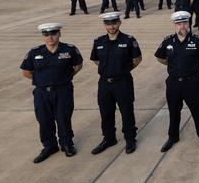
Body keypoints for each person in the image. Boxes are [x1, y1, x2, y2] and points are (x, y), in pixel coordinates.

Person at [20, 23, 83, 163]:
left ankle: (66, 144)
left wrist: (64, 78)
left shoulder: (69, 50)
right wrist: (42, 81)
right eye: (46, 35)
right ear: (43, 36)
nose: (50, 37)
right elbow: (26, 71)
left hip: (62, 91)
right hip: (42, 93)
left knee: (63, 117)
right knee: (44, 120)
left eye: (53, 34)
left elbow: (78, 66)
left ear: (59, 34)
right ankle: (49, 146)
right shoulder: (34, 52)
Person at [155, 11, 199, 153]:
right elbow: (160, 58)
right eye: (179, 23)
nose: (182, 26)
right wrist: (173, 67)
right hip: (173, 83)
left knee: (197, 110)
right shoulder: (168, 41)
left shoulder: (197, 41)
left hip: (192, 82)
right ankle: (173, 137)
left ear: (189, 24)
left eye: (184, 23)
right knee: (174, 111)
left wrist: (193, 66)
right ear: (174, 25)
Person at [90, 12, 142, 155]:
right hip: (104, 83)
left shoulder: (129, 40)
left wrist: (122, 70)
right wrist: (108, 70)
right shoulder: (99, 42)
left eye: (114, 23)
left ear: (119, 23)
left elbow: (137, 59)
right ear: (104, 25)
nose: (111, 26)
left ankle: (130, 139)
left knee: (126, 111)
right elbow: (96, 60)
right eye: (108, 23)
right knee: (105, 111)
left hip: (122, 82)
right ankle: (109, 138)